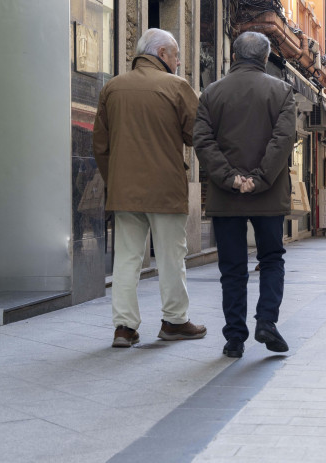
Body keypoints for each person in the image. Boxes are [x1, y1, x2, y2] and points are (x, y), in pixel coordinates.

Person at [93, 28, 206, 348]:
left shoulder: (112, 88)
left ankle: (124, 328)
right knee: (172, 255)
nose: (180, 61)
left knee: (126, 259)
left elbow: (100, 145)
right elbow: (197, 134)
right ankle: (174, 321)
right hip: (165, 189)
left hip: (124, 190)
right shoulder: (176, 86)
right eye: (175, 54)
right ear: (161, 54)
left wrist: (114, 179)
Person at [193, 31, 296, 359]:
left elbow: (203, 141)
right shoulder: (282, 92)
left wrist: (231, 179)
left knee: (232, 267)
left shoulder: (211, 93)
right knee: (271, 259)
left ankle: (234, 338)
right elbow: (283, 140)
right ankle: (266, 320)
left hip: (227, 197)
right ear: (265, 59)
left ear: (233, 57)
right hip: (268, 194)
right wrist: (260, 178)